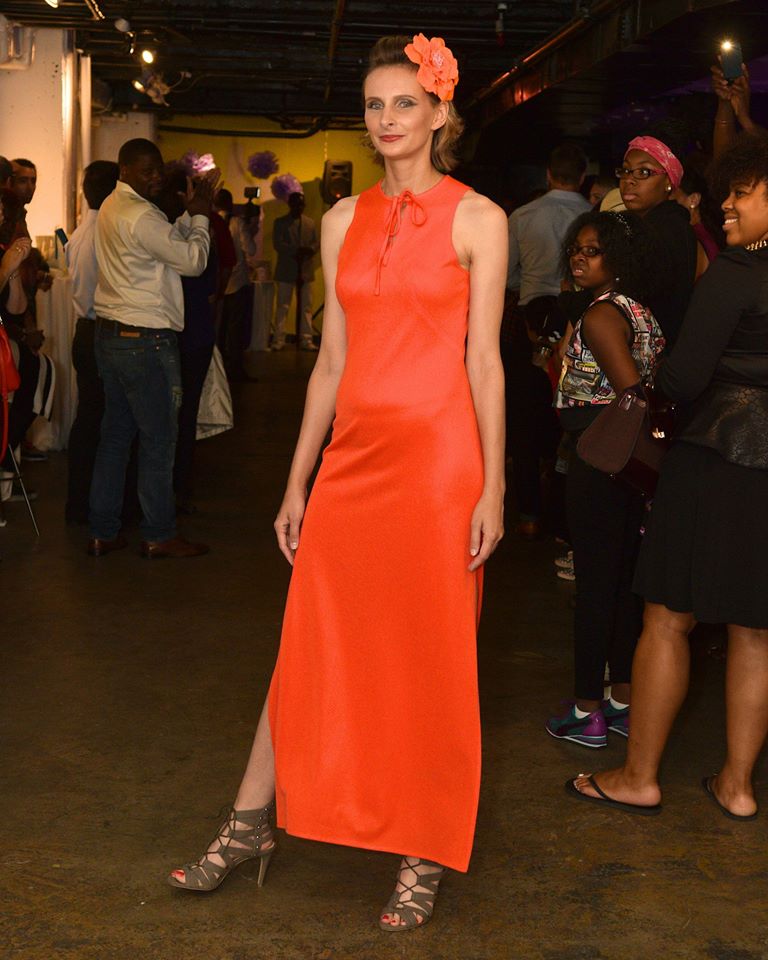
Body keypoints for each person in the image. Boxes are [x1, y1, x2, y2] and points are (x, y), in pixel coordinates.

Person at [168, 33, 507, 932]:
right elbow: (329, 363)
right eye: (374, 105)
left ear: (440, 112)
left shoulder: (479, 218)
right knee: (308, 643)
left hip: (439, 468)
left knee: (433, 659)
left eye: (406, 103)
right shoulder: (341, 219)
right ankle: (250, 823)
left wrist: (495, 488)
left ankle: (424, 848)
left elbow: (485, 364)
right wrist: (297, 482)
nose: (387, 119)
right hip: (352, 466)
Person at [567, 134, 768, 818]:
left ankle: (639, 776)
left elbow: (681, 379)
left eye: (742, 193)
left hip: (714, 457)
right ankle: (738, 787)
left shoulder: (737, 272)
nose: (725, 205)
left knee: (667, 617)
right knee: (754, 629)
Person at [546, 211, 665, 748]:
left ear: (617, 259)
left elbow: (632, 394)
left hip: (602, 460)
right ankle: (620, 702)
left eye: (592, 251)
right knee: (621, 584)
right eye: (576, 248)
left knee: (594, 587)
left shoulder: (600, 315)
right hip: (631, 468)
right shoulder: (638, 311)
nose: (579, 257)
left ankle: (586, 710)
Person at [88, 138, 217, 559]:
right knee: (159, 441)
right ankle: (159, 533)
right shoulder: (141, 215)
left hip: (111, 336)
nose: (156, 177)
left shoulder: (113, 206)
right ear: (124, 170)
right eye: (147, 171)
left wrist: (186, 217)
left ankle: (103, 531)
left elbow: (163, 243)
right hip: (145, 341)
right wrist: (201, 216)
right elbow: (193, 262)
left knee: (115, 438)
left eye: (158, 169)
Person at [505, 145, 590, 537]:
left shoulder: (523, 216)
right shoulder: (593, 217)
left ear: (548, 175)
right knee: (569, 418)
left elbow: (507, 276)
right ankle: (564, 516)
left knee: (524, 416)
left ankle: (529, 513)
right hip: (581, 322)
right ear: (583, 176)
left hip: (532, 319)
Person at [65, 161, 120, 525]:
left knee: (88, 419)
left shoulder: (80, 232)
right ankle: (96, 506)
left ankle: (79, 501)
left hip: (84, 331)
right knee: (105, 423)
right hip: (101, 331)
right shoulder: (107, 232)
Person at [616, 136, 697, 347]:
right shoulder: (651, 225)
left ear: (669, 182)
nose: (629, 180)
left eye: (644, 172)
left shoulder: (663, 230)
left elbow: (629, 299)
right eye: (626, 170)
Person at [214, 188, 257, 380]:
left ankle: (217, 369)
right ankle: (235, 369)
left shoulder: (209, 221)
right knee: (235, 329)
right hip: (237, 281)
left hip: (216, 283)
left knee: (218, 327)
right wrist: (251, 229)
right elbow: (251, 249)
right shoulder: (237, 223)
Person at [271, 191, 319, 351]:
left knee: (306, 307)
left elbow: (315, 242)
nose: (299, 208)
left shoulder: (310, 223)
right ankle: (279, 339)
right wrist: (298, 250)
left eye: (301, 205)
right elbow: (278, 244)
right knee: (283, 306)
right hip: (286, 270)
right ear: (290, 205)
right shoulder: (280, 222)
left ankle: (306, 339)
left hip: (305, 270)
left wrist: (310, 250)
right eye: (296, 205)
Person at [672, 162, 722, 266]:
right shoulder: (705, 231)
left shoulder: (692, 239)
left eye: (671, 193)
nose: (667, 200)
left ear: (694, 199)